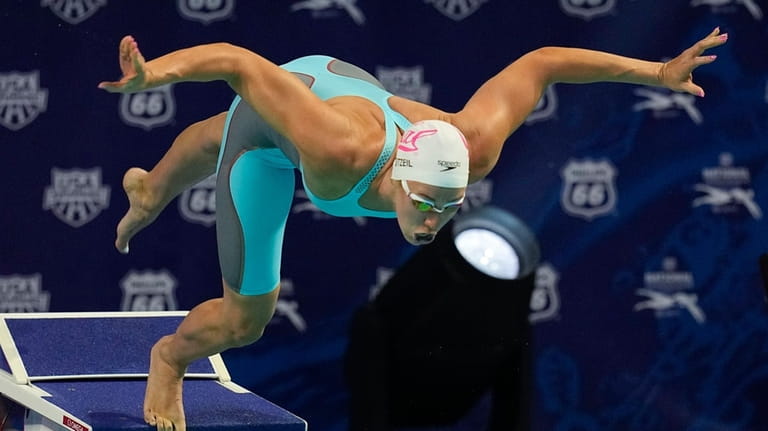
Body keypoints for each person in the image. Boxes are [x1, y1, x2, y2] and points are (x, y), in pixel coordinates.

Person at [97, 28, 727, 431]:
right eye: (424, 203)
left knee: (215, 146)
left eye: (449, 209)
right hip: (293, 119)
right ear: (399, 173)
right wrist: (154, 77)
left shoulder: (472, 147)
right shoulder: (338, 150)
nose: (432, 223)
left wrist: (657, 72)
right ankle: (169, 356)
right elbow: (236, 62)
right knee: (243, 309)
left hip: (337, 94)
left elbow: (543, 62)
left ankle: (150, 187)